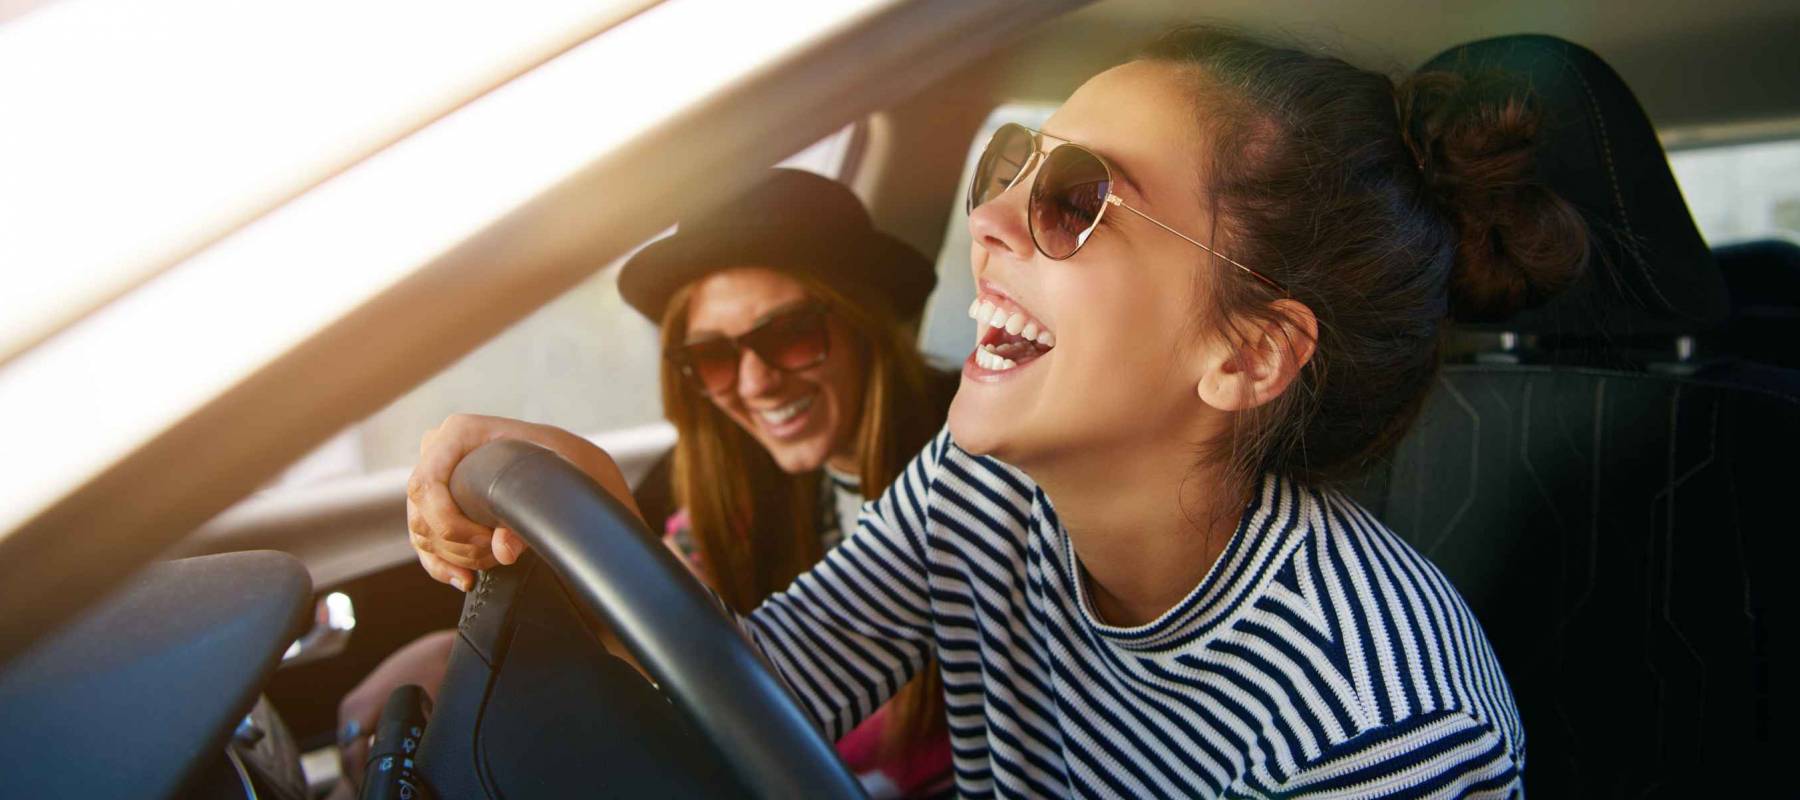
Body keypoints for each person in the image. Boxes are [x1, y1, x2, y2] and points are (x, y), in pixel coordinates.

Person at [411, 27, 1589, 797]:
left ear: (1247, 352)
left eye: (1077, 199)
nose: (988, 223)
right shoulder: (985, 493)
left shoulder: (1382, 725)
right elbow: (753, 695)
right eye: (1015, 167)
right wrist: (595, 527)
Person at [345, 170, 957, 799]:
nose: (754, 384)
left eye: (790, 335)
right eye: (715, 357)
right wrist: (463, 653)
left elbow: (776, 688)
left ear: (866, 324)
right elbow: (749, 668)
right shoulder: (736, 475)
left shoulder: (968, 473)